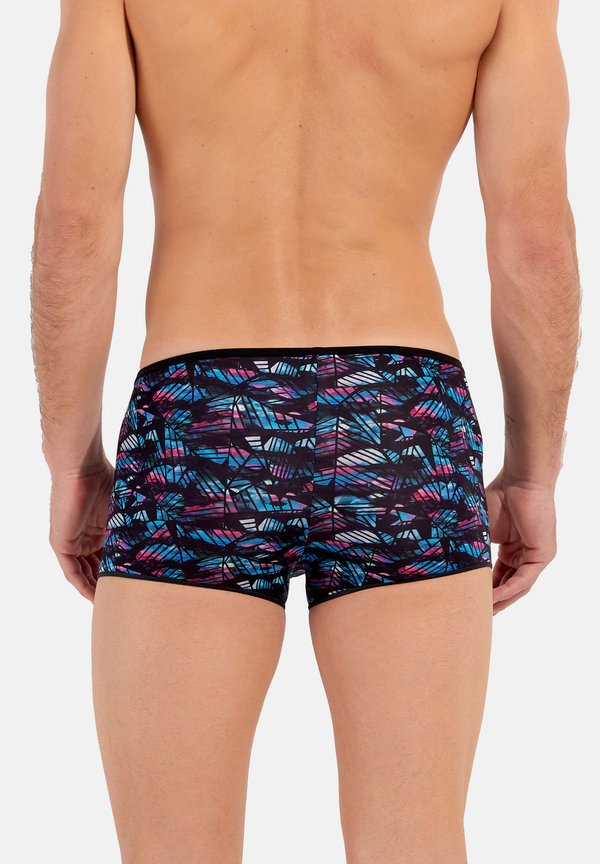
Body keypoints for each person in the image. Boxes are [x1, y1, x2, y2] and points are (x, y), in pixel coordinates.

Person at [30, 0, 580, 861]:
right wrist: (535, 473)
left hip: (202, 420)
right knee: (414, 842)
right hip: (400, 422)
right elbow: (534, 240)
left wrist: (72, 464)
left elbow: (75, 226)